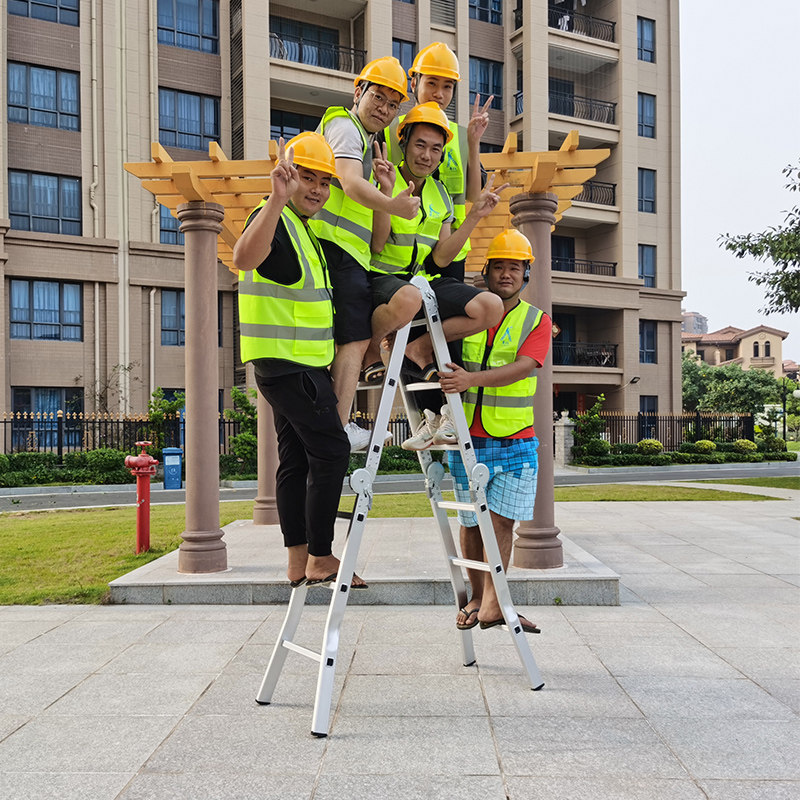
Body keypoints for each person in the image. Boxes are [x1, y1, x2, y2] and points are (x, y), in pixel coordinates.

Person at [232, 133, 365, 590]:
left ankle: (297, 561)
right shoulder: (277, 219)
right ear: (288, 177)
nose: (317, 189)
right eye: (307, 177)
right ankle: (322, 557)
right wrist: (274, 199)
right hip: (291, 366)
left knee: (294, 459)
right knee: (332, 451)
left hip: (288, 365)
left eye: (325, 181)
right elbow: (243, 257)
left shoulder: (303, 230)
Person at [438, 229, 552, 633]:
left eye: (515, 267)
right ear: (486, 272)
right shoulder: (469, 314)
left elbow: (525, 366)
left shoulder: (537, 320)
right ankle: (476, 598)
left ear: (526, 274)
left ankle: (491, 605)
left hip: (516, 439)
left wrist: (473, 380)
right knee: (471, 522)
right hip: (466, 438)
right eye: (499, 266)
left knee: (503, 523)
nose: (506, 273)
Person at [310, 56, 420, 451]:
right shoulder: (344, 126)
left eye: (393, 105)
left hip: (353, 256)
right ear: (358, 92)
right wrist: (395, 205)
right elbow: (350, 182)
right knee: (352, 342)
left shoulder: (372, 145)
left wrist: (386, 192)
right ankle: (339, 428)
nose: (385, 110)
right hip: (333, 250)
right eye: (378, 97)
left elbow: (377, 243)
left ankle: (337, 425)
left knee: (349, 343)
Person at [365, 102, 505, 410]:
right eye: (420, 145)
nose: (427, 156)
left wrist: (474, 217)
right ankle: (373, 350)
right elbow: (376, 246)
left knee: (490, 307)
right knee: (409, 297)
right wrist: (387, 198)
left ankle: (418, 348)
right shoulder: (384, 179)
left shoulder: (441, 194)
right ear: (403, 143)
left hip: (420, 283)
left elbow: (441, 259)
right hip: (381, 281)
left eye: (436, 149)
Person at [383, 41, 492, 282]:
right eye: (431, 83)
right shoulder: (391, 129)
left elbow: (472, 195)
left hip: (449, 247)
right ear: (414, 83)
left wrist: (473, 143)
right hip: (398, 244)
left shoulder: (461, 135)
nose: (439, 94)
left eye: (447, 86)